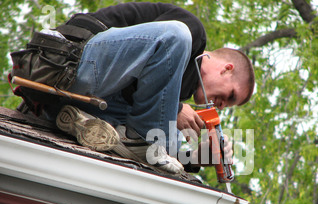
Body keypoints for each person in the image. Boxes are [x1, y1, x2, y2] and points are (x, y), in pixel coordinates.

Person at [44, 2, 255, 174]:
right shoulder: (194, 36)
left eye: (227, 105)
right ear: (227, 69)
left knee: (164, 144)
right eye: (230, 96)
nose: (221, 105)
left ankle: (80, 120)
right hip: (71, 61)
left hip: (67, 102)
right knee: (177, 35)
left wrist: (197, 158)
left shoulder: (171, 89)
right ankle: (137, 140)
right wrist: (177, 109)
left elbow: (164, 154)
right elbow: (141, 66)